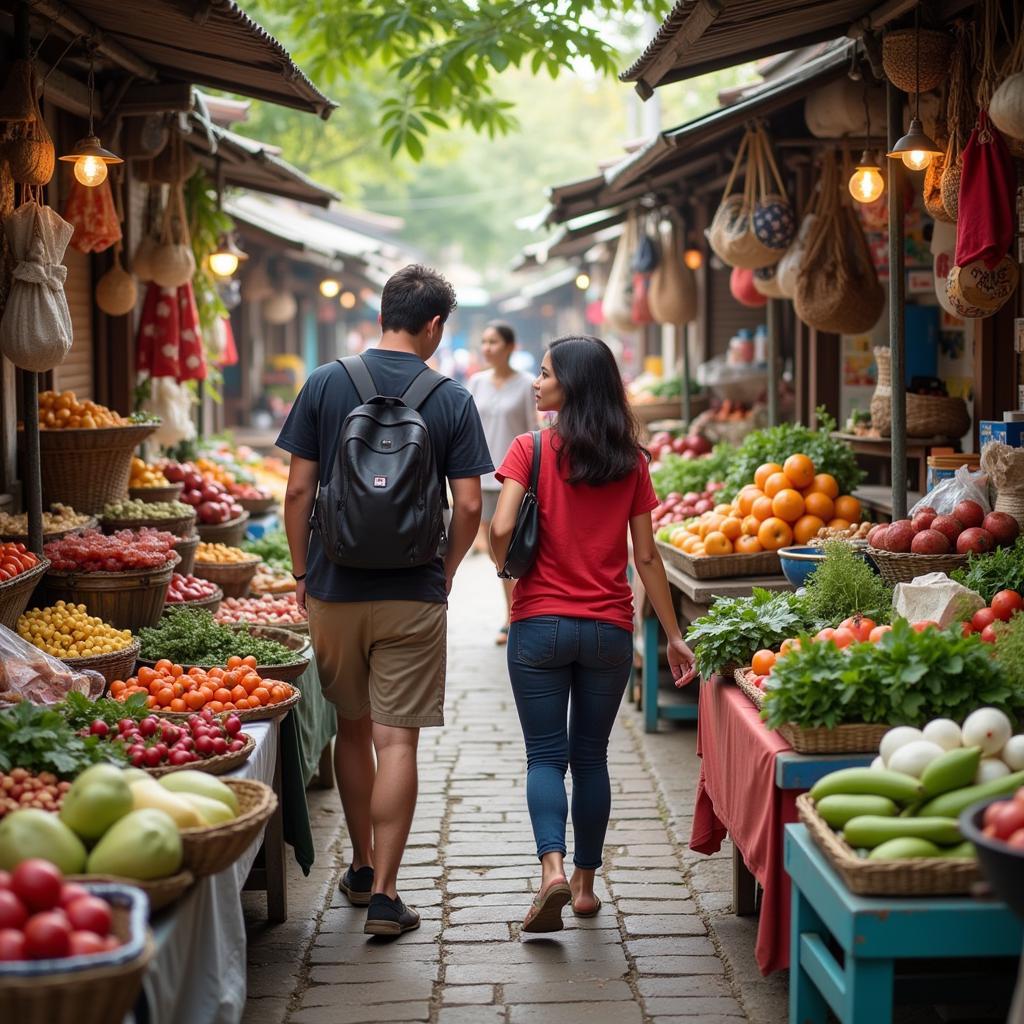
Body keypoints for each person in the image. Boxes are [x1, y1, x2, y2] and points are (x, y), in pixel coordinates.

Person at [278, 265, 493, 937]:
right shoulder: (451, 398)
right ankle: (388, 896)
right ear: (434, 325)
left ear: (382, 314)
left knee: (353, 729)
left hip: (335, 587)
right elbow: (469, 505)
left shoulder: (325, 382)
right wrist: (448, 570)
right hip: (412, 590)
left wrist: (299, 571)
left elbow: (296, 493)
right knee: (399, 740)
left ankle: (363, 866)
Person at [489, 335, 697, 934]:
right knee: (592, 759)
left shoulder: (529, 449)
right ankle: (583, 887)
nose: (536, 381)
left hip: (538, 627)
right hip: (608, 629)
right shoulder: (630, 460)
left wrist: (511, 568)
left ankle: (550, 868)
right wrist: (675, 634)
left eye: (546, 373)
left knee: (545, 757)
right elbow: (648, 558)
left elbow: (500, 526)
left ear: (571, 386)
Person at [467, 321, 538, 645]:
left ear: (510, 346)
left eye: (494, 341)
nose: (487, 348)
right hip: (481, 476)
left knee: (513, 548)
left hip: (516, 478)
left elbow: (531, 430)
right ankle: (513, 612)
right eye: (484, 341)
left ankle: (513, 616)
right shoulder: (476, 383)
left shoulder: (526, 384)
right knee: (500, 553)